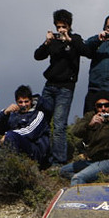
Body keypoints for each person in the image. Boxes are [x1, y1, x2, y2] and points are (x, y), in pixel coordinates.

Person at [34, 9, 86, 168]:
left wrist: (69, 40)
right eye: (58, 27)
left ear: (69, 26)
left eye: (63, 26)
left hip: (66, 87)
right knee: (42, 122)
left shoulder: (75, 39)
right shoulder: (54, 41)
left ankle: (58, 161)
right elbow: (38, 56)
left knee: (59, 125)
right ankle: (41, 158)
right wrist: (47, 42)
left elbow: (86, 52)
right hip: (49, 86)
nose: (61, 30)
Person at [0, 85, 51, 165]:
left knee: (12, 136)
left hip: (34, 150)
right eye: (20, 102)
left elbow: (30, 132)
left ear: (31, 101)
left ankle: (11, 165)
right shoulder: (14, 114)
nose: (24, 105)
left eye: (26, 101)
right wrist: (5, 113)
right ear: (16, 102)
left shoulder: (39, 114)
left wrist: (8, 135)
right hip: (13, 144)